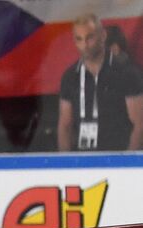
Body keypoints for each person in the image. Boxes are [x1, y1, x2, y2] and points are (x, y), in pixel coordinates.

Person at [57, 13, 143, 151]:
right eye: (79, 39)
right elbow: (65, 126)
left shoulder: (126, 73)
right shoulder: (70, 76)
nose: (85, 45)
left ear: (103, 36)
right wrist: (65, 165)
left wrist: (127, 163)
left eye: (90, 37)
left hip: (117, 158)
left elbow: (139, 124)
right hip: (82, 160)